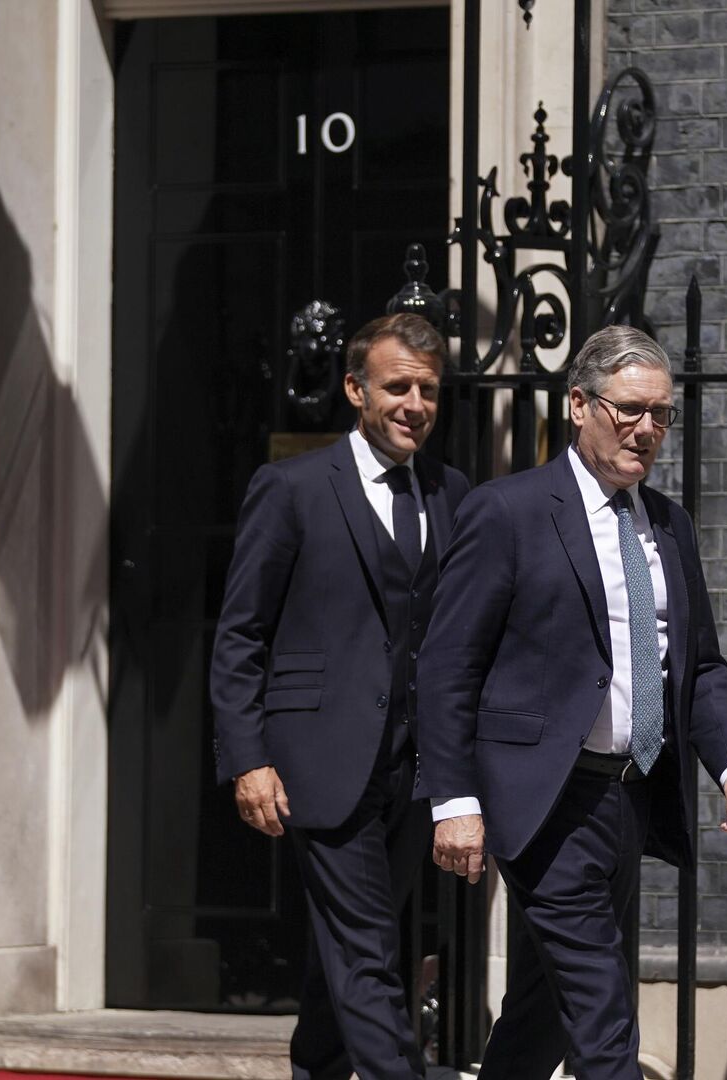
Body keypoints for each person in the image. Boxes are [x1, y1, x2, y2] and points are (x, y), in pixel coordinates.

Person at [416, 325, 727, 1079]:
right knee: (604, 1020)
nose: (647, 429)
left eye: (661, 414)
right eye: (629, 409)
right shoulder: (508, 511)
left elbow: (699, 664)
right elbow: (448, 666)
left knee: (543, 1011)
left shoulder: (668, 523)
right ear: (579, 405)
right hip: (545, 800)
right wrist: (454, 800)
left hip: (629, 796)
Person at [211, 313, 470, 1080]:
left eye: (428, 390)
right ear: (357, 390)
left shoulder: (452, 493)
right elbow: (240, 633)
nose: (415, 404)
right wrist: (248, 758)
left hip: (412, 771)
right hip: (321, 759)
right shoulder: (290, 488)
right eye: (398, 387)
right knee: (368, 950)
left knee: (349, 944)